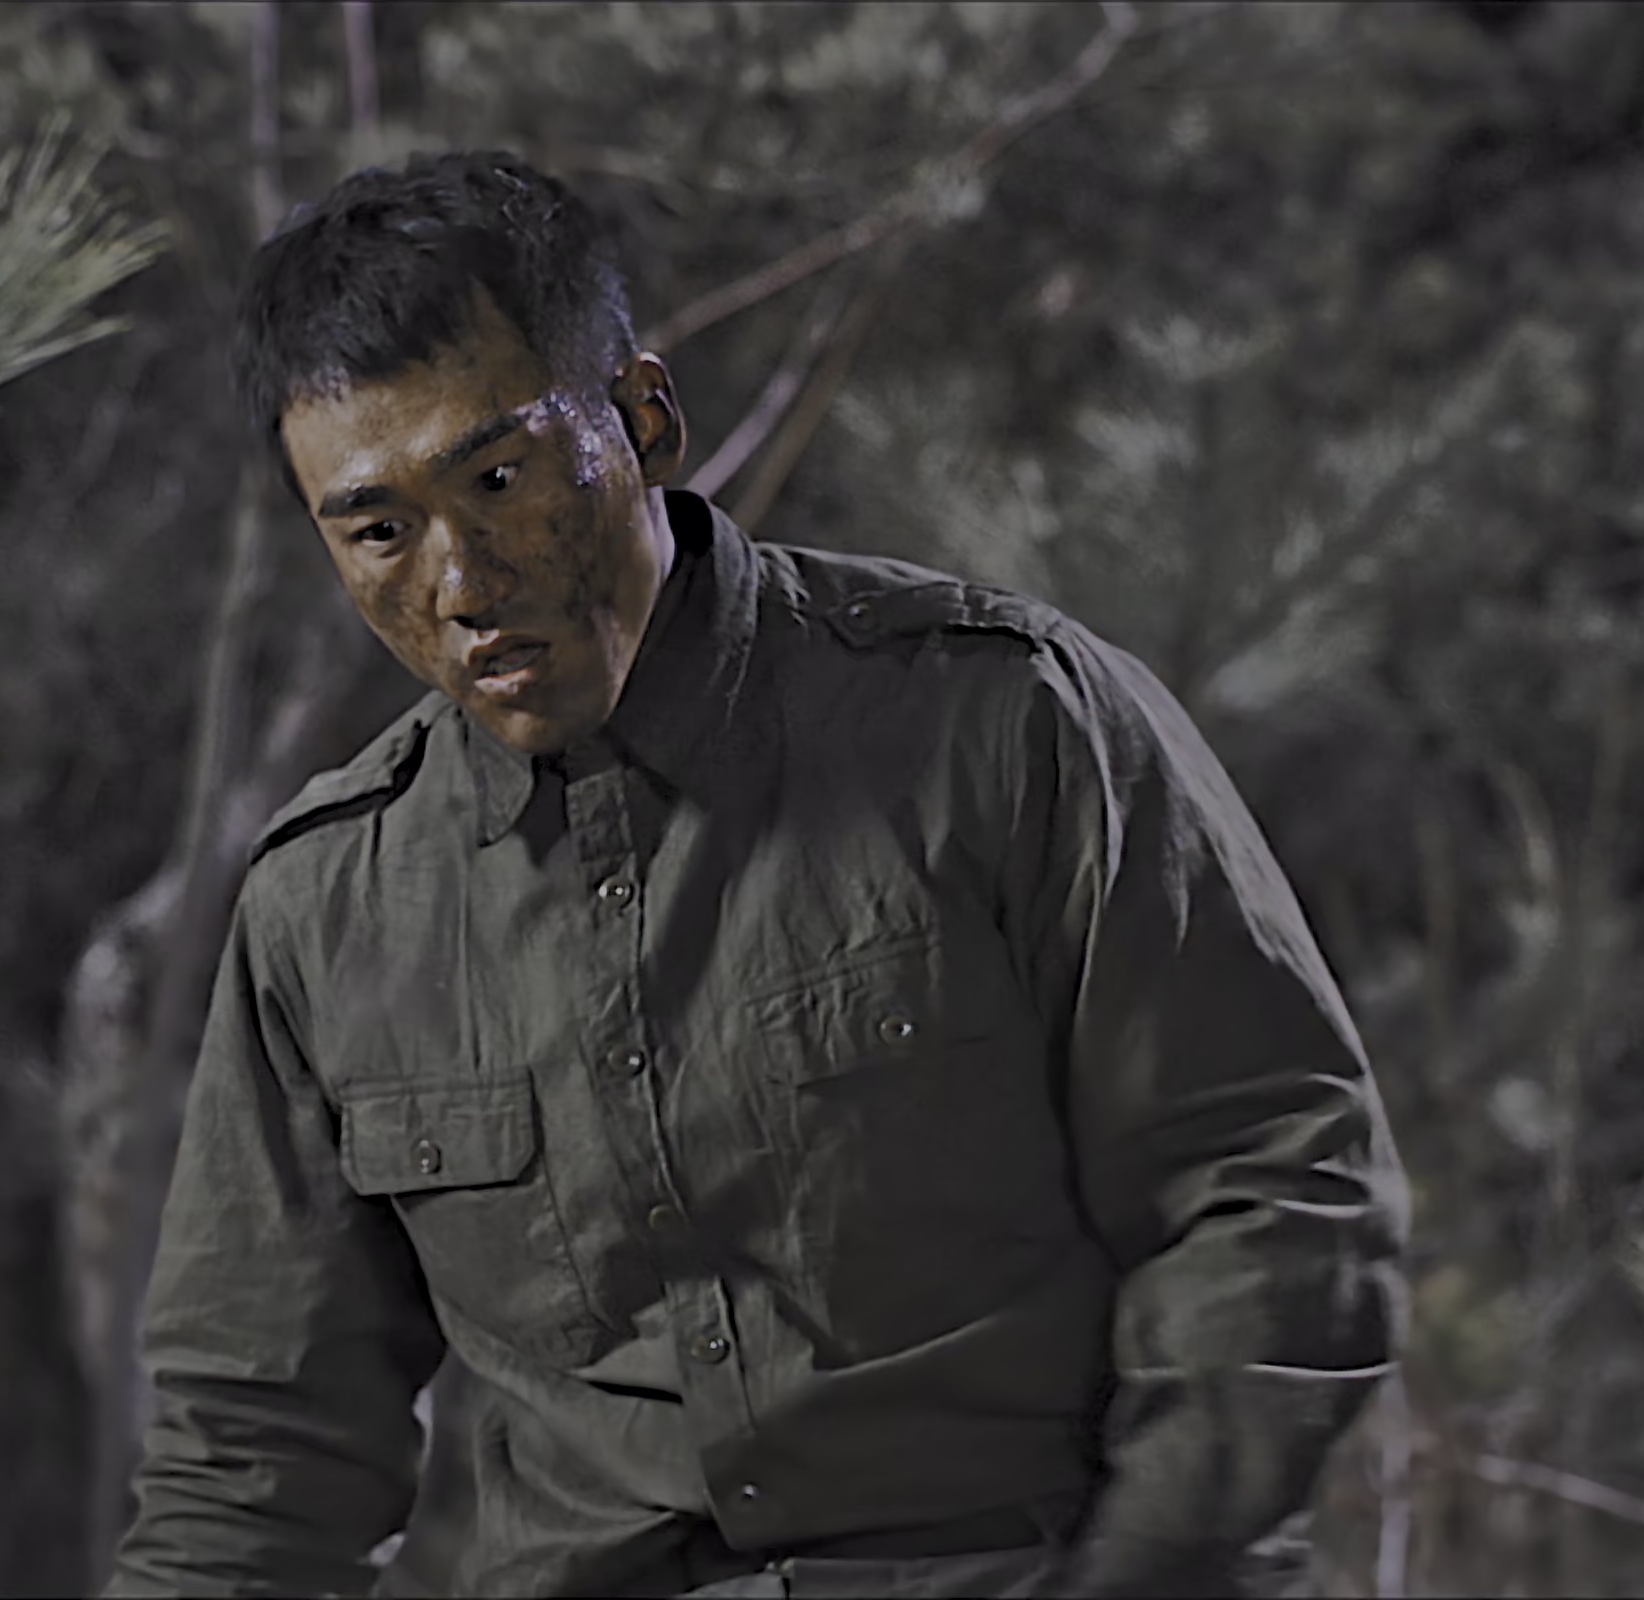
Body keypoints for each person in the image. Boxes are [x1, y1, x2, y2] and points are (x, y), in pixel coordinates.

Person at [102, 151, 1407, 1600]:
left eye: (500, 479)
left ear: (643, 420)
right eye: (380, 530)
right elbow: (254, 1465)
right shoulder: (326, 909)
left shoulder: (1005, 725)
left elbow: (1268, 1194)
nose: (461, 584)